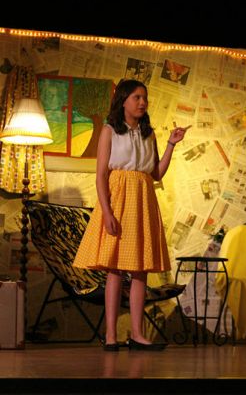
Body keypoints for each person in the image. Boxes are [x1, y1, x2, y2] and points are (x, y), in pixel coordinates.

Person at [73, 79, 187, 351]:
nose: (142, 102)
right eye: (136, 97)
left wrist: (171, 145)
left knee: (139, 270)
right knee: (115, 270)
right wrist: (107, 212)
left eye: (144, 97)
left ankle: (137, 334)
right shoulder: (110, 131)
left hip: (143, 200)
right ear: (123, 100)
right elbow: (101, 175)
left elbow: (156, 173)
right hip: (118, 200)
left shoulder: (149, 134)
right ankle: (111, 335)